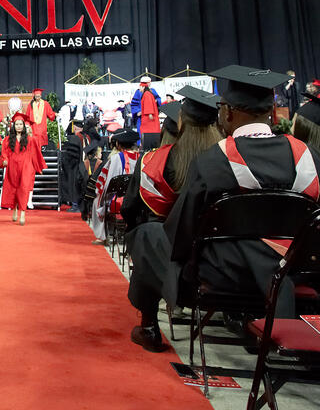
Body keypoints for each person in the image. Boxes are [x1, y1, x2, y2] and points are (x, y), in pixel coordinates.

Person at [134, 66, 320, 353]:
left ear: (229, 113)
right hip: (294, 272)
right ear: (271, 112)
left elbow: (181, 233)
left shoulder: (215, 162)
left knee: (148, 234)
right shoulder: (309, 158)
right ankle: (251, 319)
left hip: (224, 277)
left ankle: (149, 327)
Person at [119, 86, 221, 351]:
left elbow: (130, 208)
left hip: (175, 263)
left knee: (146, 235)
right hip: (224, 263)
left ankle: (149, 326)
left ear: (181, 121)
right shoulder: (229, 161)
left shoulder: (155, 161)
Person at [91, 129, 141, 245]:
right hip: (138, 199)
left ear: (118, 144)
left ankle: (102, 237)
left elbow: (109, 182)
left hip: (120, 200)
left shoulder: (117, 158)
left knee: (97, 201)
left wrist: (101, 194)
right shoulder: (141, 156)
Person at [0, 112, 46, 225]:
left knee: (23, 189)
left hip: (26, 167)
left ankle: (23, 213)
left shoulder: (30, 140)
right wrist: (4, 160)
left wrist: (39, 167)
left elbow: (36, 154)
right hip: (12, 167)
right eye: (17, 124)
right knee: (13, 188)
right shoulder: (7, 140)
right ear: (13, 126)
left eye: (21, 124)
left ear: (24, 126)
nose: (19, 126)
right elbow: (4, 152)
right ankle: (14, 209)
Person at [130, 76, 161, 141]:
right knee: (143, 134)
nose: (150, 83)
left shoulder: (151, 91)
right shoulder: (138, 92)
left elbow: (157, 99)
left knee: (148, 133)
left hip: (148, 115)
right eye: (149, 82)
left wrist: (156, 101)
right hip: (142, 115)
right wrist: (138, 111)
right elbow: (134, 103)